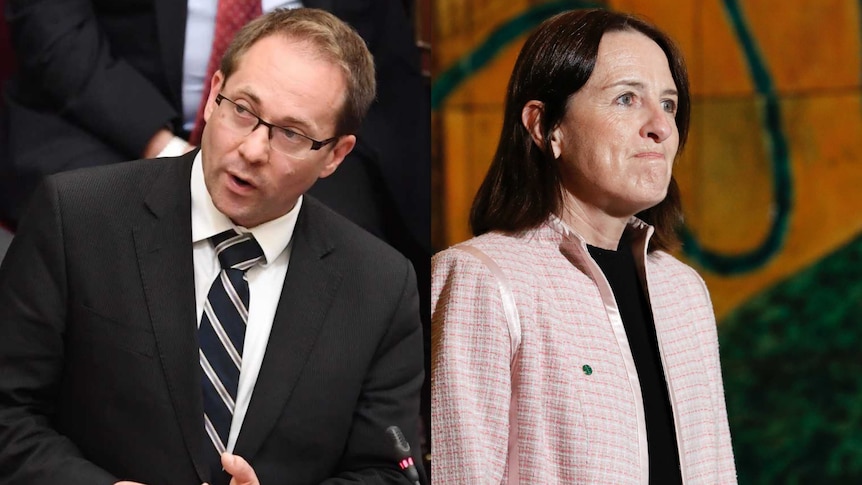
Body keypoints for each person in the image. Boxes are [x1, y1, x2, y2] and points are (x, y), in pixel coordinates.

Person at [0, 8, 424, 485]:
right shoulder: (77, 218)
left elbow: (391, 473)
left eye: (290, 134)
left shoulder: (380, 286)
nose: (252, 150)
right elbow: (9, 413)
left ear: (336, 155)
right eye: (242, 110)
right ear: (213, 95)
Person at [431, 9, 737, 484]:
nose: (661, 126)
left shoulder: (685, 292)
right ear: (545, 126)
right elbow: (463, 470)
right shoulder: (483, 279)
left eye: (670, 104)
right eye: (626, 98)